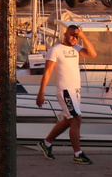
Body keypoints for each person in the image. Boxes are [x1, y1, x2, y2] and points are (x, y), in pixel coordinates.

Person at [36, 24, 97, 164]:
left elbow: (93, 54)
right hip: (65, 90)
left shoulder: (76, 48)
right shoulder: (55, 50)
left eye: (76, 36)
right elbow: (47, 72)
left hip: (75, 90)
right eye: (72, 35)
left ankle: (46, 143)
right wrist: (41, 93)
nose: (74, 38)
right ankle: (77, 154)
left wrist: (83, 37)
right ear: (65, 34)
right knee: (76, 119)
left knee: (69, 120)